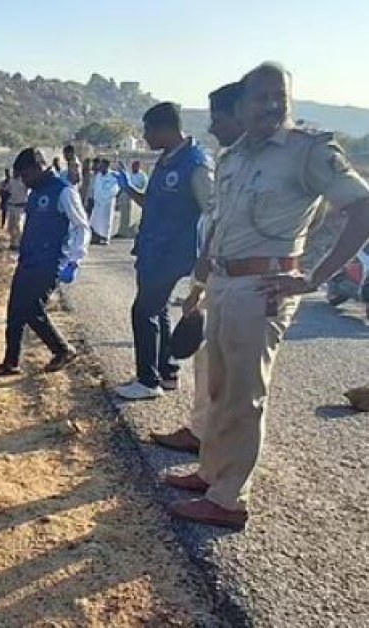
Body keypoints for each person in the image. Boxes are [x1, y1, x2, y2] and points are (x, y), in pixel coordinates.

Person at [164, 63, 369, 530]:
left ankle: (229, 500)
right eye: (261, 97)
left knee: (244, 394)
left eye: (281, 96)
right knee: (217, 387)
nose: (273, 106)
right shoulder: (236, 156)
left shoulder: (308, 151)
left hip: (263, 290)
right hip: (223, 282)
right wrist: (204, 275)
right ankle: (212, 473)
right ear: (240, 106)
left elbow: (361, 209)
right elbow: (224, 219)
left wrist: (313, 276)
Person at [151, 80, 245, 455]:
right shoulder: (231, 161)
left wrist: (303, 270)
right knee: (208, 360)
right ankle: (201, 433)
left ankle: (226, 473)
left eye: (218, 119)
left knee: (241, 379)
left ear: (242, 114)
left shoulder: (206, 164)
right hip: (215, 272)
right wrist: (199, 282)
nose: (211, 128)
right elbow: (216, 224)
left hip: (248, 279)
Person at [112, 102, 213, 401]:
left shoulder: (195, 164)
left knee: (143, 311)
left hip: (173, 253)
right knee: (159, 310)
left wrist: (205, 262)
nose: (145, 136)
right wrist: (129, 189)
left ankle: (147, 381)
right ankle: (167, 372)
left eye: (147, 130)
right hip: (152, 250)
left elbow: (212, 212)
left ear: (165, 128)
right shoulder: (167, 160)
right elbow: (153, 203)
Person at [0, 148, 90, 375]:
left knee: (31, 307)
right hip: (28, 259)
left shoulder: (64, 192)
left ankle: (62, 350)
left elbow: (81, 227)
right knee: (15, 311)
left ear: (40, 168)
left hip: (50, 262)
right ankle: (11, 362)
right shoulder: (36, 193)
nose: (25, 182)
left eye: (26, 176)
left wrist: (74, 260)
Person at [89, 158, 121, 244]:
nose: (101, 167)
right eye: (100, 165)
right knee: (95, 221)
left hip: (108, 203)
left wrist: (105, 197)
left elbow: (115, 189)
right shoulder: (98, 175)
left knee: (106, 221)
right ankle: (96, 237)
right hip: (98, 202)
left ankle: (106, 238)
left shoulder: (113, 175)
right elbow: (96, 188)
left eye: (103, 166)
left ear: (107, 166)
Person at [116, 161, 149, 238]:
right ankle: (122, 231)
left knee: (133, 218)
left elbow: (144, 187)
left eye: (135, 166)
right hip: (126, 198)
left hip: (135, 199)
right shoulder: (130, 175)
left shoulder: (142, 176)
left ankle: (130, 233)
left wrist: (134, 189)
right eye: (132, 166)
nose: (133, 168)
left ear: (138, 166)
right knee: (124, 216)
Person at [0, 169, 28, 250]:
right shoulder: (11, 181)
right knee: (11, 226)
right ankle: (12, 243)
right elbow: (4, 190)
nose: (15, 173)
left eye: (16, 171)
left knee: (18, 225)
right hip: (11, 206)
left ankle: (18, 244)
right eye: (14, 171)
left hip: (20, 207)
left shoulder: (24, 181)